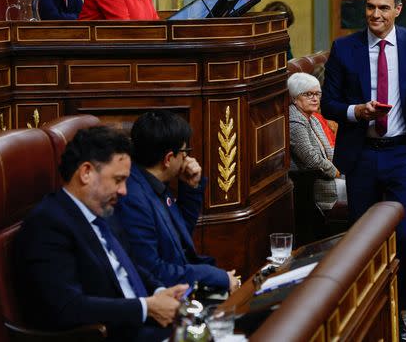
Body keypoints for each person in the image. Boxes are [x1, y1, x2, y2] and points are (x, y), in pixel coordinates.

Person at [321, 0, 406, 305]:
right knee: (362, 239)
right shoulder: (344, 48)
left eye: (383, 8)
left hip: (403, 153)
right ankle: (369, 309)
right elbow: (327, 104)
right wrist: (356, 111)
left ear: (398, 9)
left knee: (404, 236)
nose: (375, 14)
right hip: (362, 156)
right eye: (370, 7)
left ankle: (398, 310)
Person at [15, 126, 188, 342]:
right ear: (86, 172)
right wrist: (146, 308)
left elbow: (132, 267)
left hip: (145, 328)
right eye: (118, 180)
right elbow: (67, 307)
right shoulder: (48, 224)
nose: (124, 190)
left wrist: (161, 291)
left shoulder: (103, 211)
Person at [115, 111, 238, 294]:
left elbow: (179, 239)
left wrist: (191, 188)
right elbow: (154, 270)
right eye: (185, 152)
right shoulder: (132, 199)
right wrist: (218, 277)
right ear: (168, 159)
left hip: (183, 280)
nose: (188, 159)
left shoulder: (152, 182)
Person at [287, 72, 346, 208]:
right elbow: (310, 159)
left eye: (317, 94)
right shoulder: (294, 120)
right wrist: (335, 171)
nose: (315, 99)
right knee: (360, 191)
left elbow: (329, 150)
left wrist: (343, 168)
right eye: (308, 94)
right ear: (295, 98)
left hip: (329, 176)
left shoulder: (312, 117)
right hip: (316, 186)